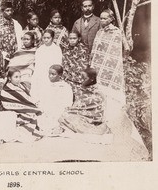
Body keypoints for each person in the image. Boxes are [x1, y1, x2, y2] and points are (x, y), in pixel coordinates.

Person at [90, 9, 143, 144]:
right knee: (100, 94)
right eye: (101, 18)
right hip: (98, 69)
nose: (101, 21)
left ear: (111, 19)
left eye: (104, 19)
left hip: (110, 69)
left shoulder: (116, 33)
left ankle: (112, 122)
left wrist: (109, 69)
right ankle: (100, 122)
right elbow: (95, 52)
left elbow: (114, 55)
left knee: (111, 99)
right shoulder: (99, 32)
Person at [59, 68, 111, 143]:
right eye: (81, 77)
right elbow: (79, 104)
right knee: (64, 115)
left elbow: (97, 109)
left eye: (84, 78)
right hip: (82, 114)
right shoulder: (83, 87)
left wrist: (74, 111)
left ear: (92, 79)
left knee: (66, 116)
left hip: (93, 119)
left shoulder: (97, 92)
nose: (81, 80)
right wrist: (73, 109)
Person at [1, 68, 41, 137]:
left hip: (24, 106)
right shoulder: (7, 89)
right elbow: (9, 102)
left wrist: (33, 103)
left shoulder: (21, 86)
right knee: (32, 115)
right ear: (10, 78)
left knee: (39, 112)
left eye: (20, 77)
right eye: (16, 77)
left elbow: (26, 98)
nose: (18, 79)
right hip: (15, 109)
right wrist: (29, 107)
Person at [38, 65, 73, 137]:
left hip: (58, 110)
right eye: (49, 74)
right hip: (46, 109)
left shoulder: (65, 87)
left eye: (53, 74)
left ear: (60, 75)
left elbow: (68, 103)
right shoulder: (46, 85)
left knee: (53, 122)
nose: (50, 76)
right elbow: (42, 99)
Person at [30, 29, 63, 101]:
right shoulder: (40, 49)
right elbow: (37, 63)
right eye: (44, 38)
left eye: (48, 38)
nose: (46, 40)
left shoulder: (56, 49)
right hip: (39, 72)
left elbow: (58, 64)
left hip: (50, 73)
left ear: (52, 38)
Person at [62, 31, 90, 98]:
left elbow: (83, 67)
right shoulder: (66, 48)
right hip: (66, 76)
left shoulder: (83, 49)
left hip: (77, 79)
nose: (72, 40)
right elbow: (64, 62)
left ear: (79, 39)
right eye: (70, 38)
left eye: (74, 38)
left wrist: (72, 75)